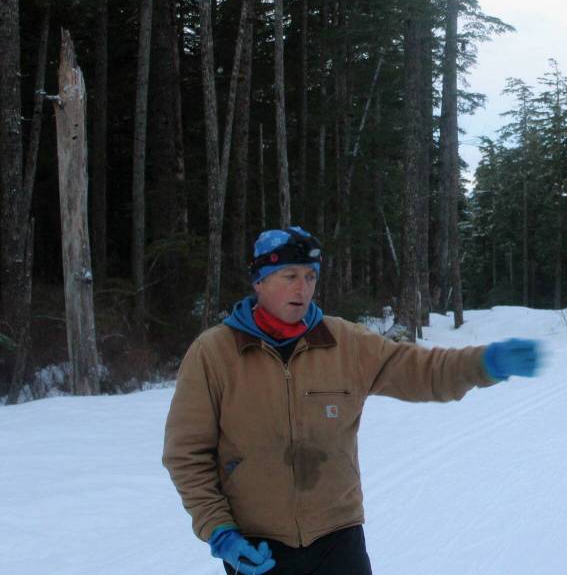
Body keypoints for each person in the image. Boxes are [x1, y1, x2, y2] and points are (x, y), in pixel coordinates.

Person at [163, 226, 542, 575]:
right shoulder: (214, 353)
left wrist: (484, 363)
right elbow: (186, 453)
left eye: (310, 277)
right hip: (258, 546)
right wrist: (219, 530)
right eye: (290, 276)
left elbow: (420, 370)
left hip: (338, 539)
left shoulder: (345, 343)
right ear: (260, 282)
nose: (303, 288)